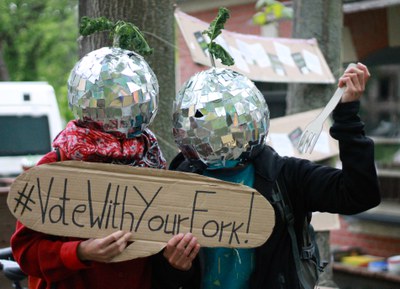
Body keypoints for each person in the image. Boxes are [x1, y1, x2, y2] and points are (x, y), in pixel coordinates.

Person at [169, 62, 381, 289]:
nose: (214, 130)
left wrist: (347, 116)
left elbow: (359, 194)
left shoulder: (286, 177)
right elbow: (165, 275)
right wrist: (176, 267)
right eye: (201, 118)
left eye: (225, 119)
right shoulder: (178, 181)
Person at [11, 47, 199, 289]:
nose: (121, 109)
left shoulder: (153, 165)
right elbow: (26, 251)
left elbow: (161, 258)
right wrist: (81, 251)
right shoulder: (55, 167)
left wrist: (176, 264)